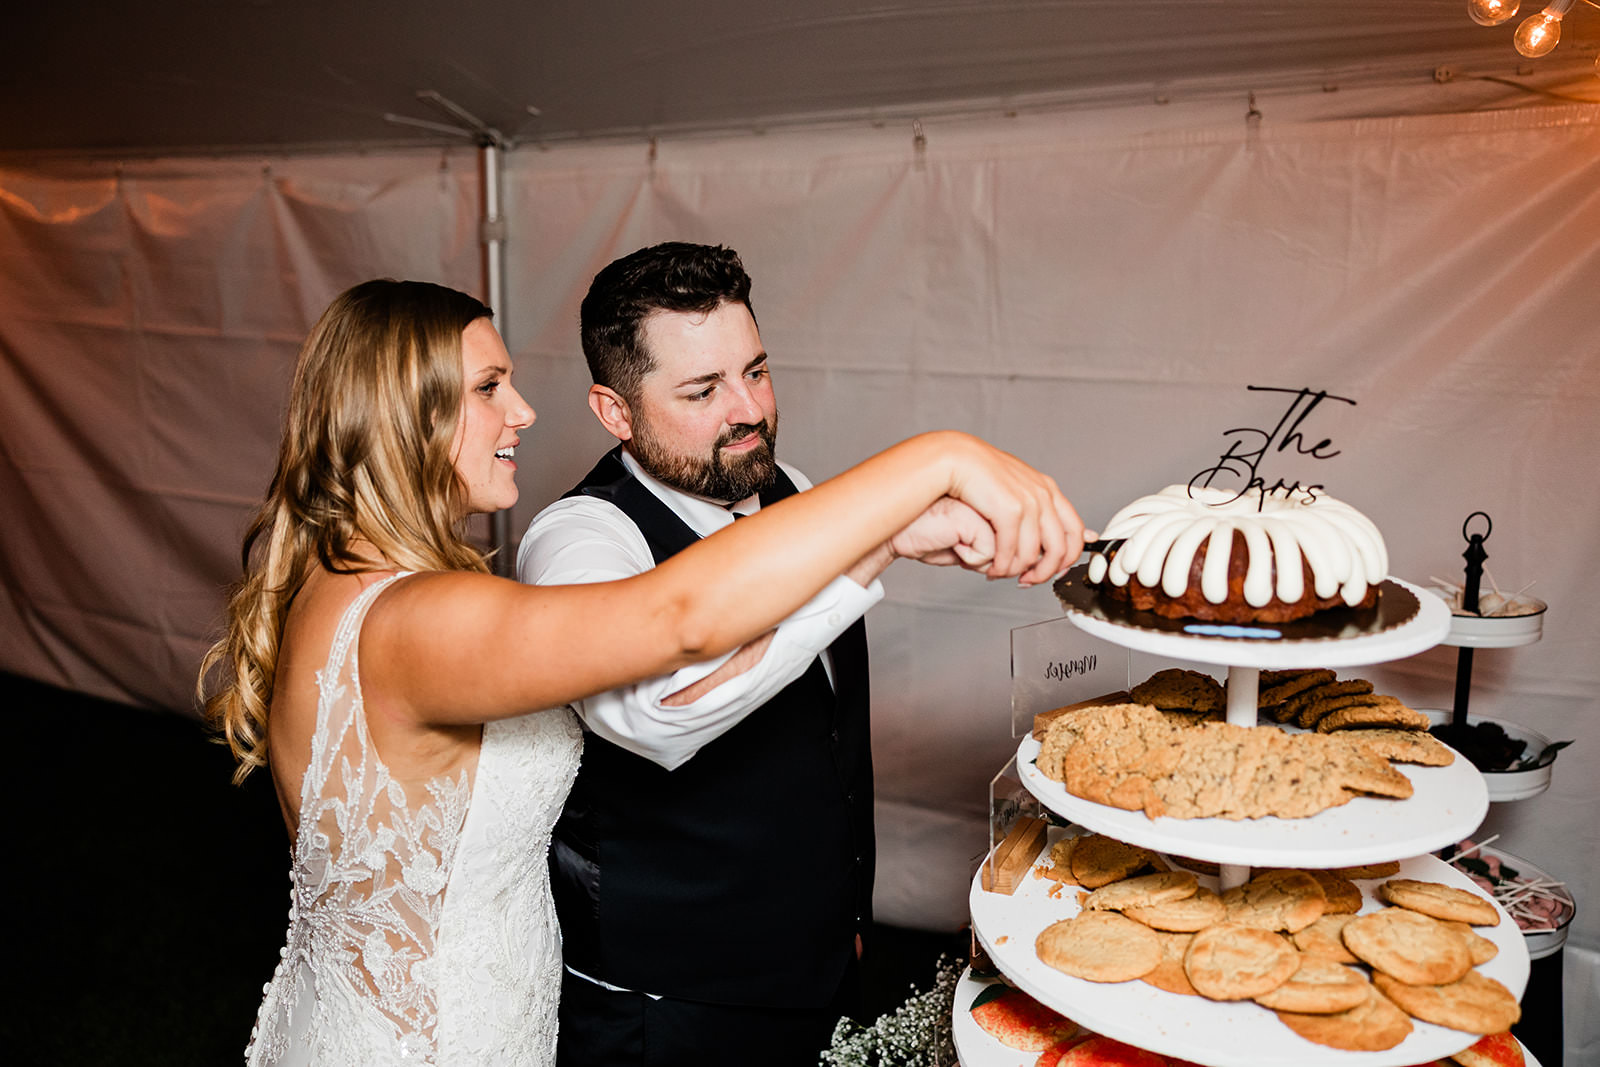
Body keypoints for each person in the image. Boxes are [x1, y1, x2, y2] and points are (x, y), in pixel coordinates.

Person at [199, 277, 1085, 1066]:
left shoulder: (343, 580)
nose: (523, 412)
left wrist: (878, 542)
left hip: (425, 1017)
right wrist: (937, 459)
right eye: (487, 388)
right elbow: (676, 620)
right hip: (434, 1040)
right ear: (401, 414)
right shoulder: (416, 620)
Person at [517, 242, 1074, 1065]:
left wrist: (843, 926)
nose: (746, 409)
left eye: (756, 370)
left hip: (817, 967)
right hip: (670, 1002)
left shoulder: (795, 495)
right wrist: (880, 543)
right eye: (703, 390)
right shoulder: (579, 538)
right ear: (615, 411)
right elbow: (653, 717)